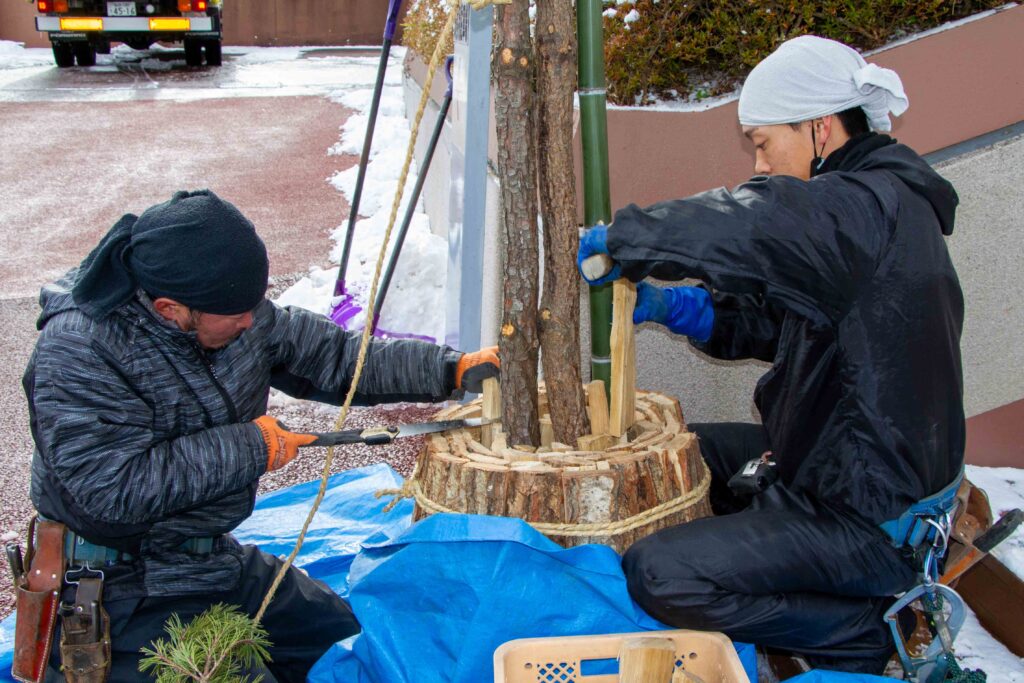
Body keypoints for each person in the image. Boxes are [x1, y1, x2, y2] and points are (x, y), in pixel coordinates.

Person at [577, 36, 964, 673]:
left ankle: (861, 631)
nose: (759, 163)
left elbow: (752, 221)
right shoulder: (867, 210)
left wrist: (629, 238)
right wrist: (687, 309)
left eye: (762, 142)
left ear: (820, 127)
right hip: (841, 466)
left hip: (872, 518)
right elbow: (778, 321)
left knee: (661, 574)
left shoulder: (866, 208)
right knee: (682, 448)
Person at [20, 189, 500, 681]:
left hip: (209, 559)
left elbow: (335, 359)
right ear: (170, 309)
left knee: (346, 639)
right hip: (122, 586)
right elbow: (111, 489)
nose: (251, 321)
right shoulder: (79, 351)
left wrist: (448, 369)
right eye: (237, 313)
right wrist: (253, 446)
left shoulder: (232, 312)